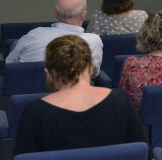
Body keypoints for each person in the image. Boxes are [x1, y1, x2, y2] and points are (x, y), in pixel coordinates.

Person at [13, 35, 144, 155]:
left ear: (49, 73)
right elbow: (143, 154)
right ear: (91, 68)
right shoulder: (121, 101)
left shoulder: (34, 114)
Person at [6, 0, 103, 76]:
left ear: (56, 13)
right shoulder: (94, 41)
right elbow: (93, 73)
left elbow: (9, 64)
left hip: (26, 91)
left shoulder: (34, 34)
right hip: (75, 94)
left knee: (15, 44)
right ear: (84, 15)